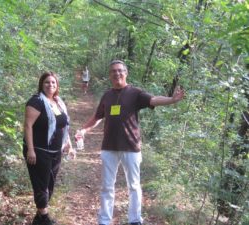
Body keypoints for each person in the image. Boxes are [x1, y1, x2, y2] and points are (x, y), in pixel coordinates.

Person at [76, 60, 185, 225]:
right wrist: (84, 130)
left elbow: (154, 100)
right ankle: (104, 220)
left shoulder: (135, 93)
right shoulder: (107, 95)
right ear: (110, 75)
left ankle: (135, 220)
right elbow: (98, 117)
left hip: (131, 147)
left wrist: (172, 100)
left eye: (120, 70)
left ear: (126, 73)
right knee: (107, 187)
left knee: (134, 186)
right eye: (113, 71)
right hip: (109, 148)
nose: (117, 73)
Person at [23, 71, 74, 225]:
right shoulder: (36, 101)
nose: (50, 85)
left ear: (57, 85)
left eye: (53, 82)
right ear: (41, 84)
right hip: (38, 151)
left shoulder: (58, 102)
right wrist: (30, 149)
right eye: (47, 82)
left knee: (49, 184)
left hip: (55, 152)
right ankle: (44, 218)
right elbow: (28, 126)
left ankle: (38, 218)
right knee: (41, 184)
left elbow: (63, 125)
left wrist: (69, 144)